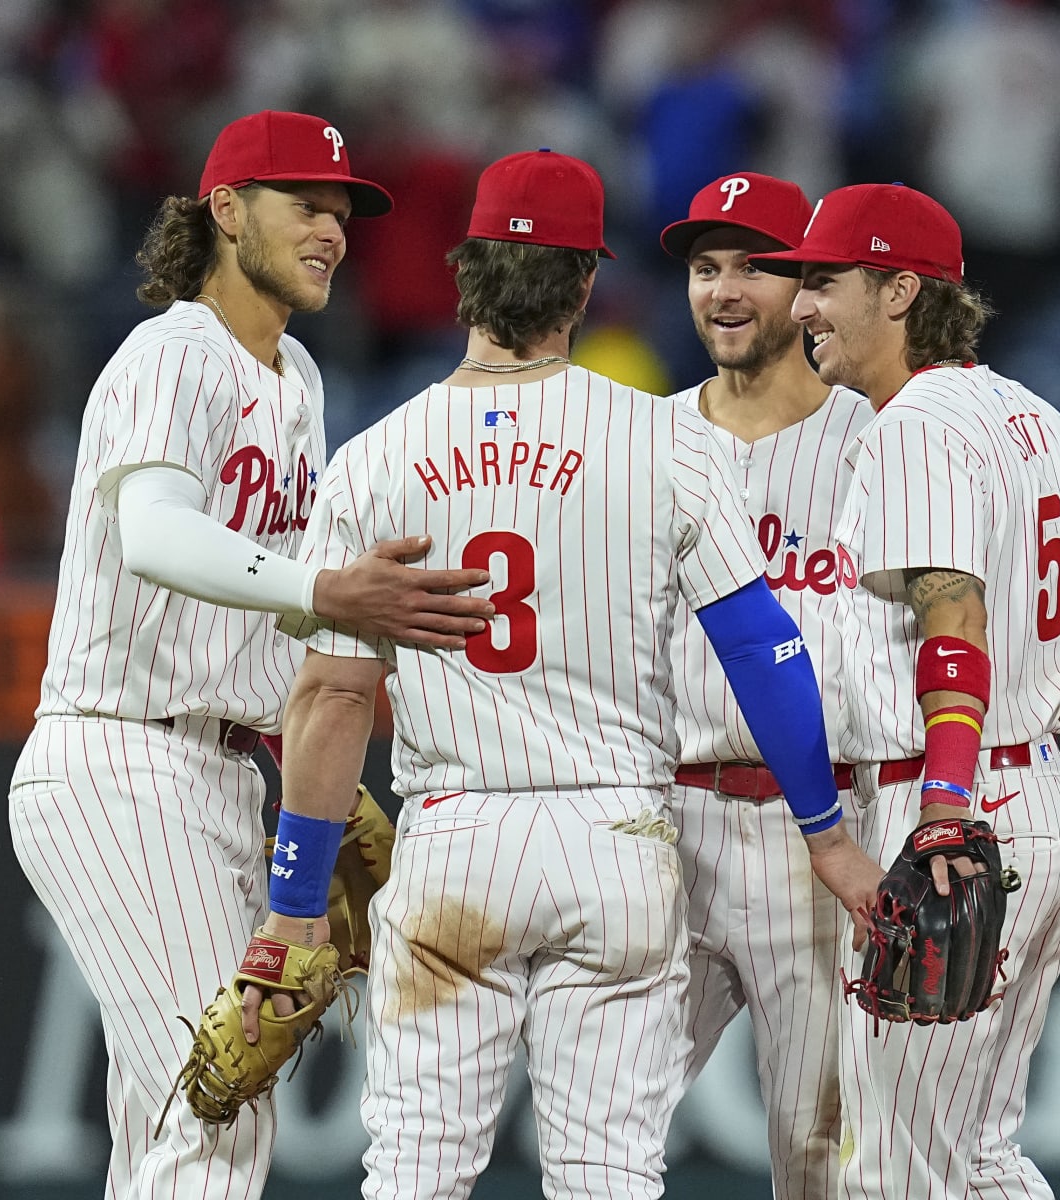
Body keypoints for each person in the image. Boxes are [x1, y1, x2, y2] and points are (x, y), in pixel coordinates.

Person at [255, 148, 883, 1200]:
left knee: (413, 1173)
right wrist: (826, 833)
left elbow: (327, 699)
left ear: (465, 272)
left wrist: (293, 899)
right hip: (618, 839)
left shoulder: (374, 457)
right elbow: (763, 649)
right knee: (607, 1177)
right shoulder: (665, 442)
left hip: (457, 832)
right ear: (588, 282)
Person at [6, 110, 495, 1200]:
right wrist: (328, 592)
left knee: (164, 1125)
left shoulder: (298, 379)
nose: (332, 229)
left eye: (342, 211)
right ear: (225, 211)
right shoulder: (175, 349)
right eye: (305, 205)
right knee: (216, 1114)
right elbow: (159, 533)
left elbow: (265, 603)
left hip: (222, 769)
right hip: (121, 755)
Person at [750, 183, 1060, 1199]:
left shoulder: (917, 424)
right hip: (1042, 805)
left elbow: (953, 611)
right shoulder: (1034, 417)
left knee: (895, 1174)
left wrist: (944, 809)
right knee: (976, 1160)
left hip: (952, 805)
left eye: (824, 281)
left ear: (899, 289)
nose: (801, 306)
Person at [656, 171, 874, 1199]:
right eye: (706, 267)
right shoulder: (639, 442)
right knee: (597, 1126)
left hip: (826, 835)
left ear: (813, 287)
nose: (726, 290)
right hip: (673, 826)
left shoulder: (876, 443)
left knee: (821, 1158)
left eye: (756, 265)